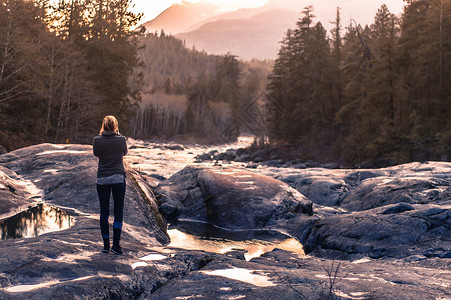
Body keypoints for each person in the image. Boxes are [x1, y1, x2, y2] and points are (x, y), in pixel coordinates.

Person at [93, 115, 128, 255]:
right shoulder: (121, 139)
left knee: (104, 213)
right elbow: (124, 152)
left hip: (102, 179)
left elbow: (96, 154)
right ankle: (116, 246)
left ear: (103, 126)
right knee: (118, 212)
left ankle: (106, 246)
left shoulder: (97, 140)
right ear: (115, 126)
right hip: (118, 178)